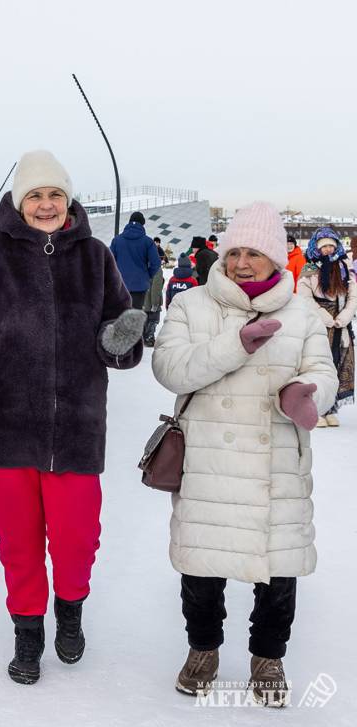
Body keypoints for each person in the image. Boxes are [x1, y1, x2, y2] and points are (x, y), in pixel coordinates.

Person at [0, 150, 145, 685]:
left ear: (69, 200)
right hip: (3, 425)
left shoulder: (96, 257)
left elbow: (116, 338)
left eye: (55, 194)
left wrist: (120, 341)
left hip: (76, 426)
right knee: (19, 540)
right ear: (18, 202)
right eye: (36, 195)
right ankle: (28, 634)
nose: (47, 204)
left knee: (78, 538)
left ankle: (71, 610)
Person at [152, 202, 338, 707]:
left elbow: (325, 372)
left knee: (278, 572)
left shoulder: (300, 312)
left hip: (276, 461)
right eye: (234, 251)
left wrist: (309, 394)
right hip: (210, 458)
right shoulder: (191, 305)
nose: (240, 263)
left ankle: (267, 656)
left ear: (276, 259)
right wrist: (237, 345)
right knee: (202, 568)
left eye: (253, 253)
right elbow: (171, 369)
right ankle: (203, 649)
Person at [297, 227, 354, 427]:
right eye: (324, 246)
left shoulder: (344, 265)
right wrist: (325, 317)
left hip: (341, 325)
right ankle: (317, 408)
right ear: (317, 248)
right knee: (317, 366)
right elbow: (303, 295)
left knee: (337, 365)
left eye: (332, 245)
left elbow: (353, 294)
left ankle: (331, 407)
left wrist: (345, 316)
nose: (329, 249)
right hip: (318, 324)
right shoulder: (310, 267)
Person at [110, 211, 162, 309]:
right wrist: (148, 275)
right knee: (135, 318)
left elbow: (109, 261)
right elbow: (156, 263)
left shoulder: (117, 240)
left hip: (120, 285)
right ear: (142, 224)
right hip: (140, 286)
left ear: (129, 222)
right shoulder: (148, 241)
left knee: (120, 316)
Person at [141, 259, 164, 347]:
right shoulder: (156, 269)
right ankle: (149, 338)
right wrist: (155, 303)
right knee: (153, 319)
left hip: (142, 299)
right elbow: (156, 287)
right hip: (151, 301)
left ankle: (142, 338)